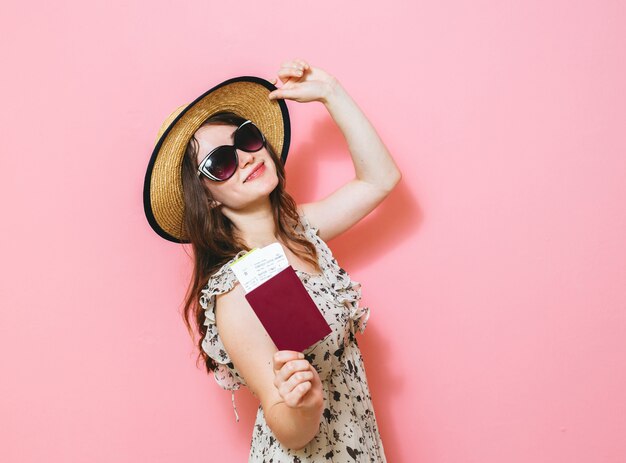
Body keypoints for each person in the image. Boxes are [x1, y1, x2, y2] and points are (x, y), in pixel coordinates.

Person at [143, 58, 401, 462]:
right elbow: (290, 429)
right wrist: (303, 403)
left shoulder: (302, 230)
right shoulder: (234, 292)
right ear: (207, 197)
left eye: (246, 138)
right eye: (221, 162)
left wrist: (331, 92)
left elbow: (379, 180)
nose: (246, 157)